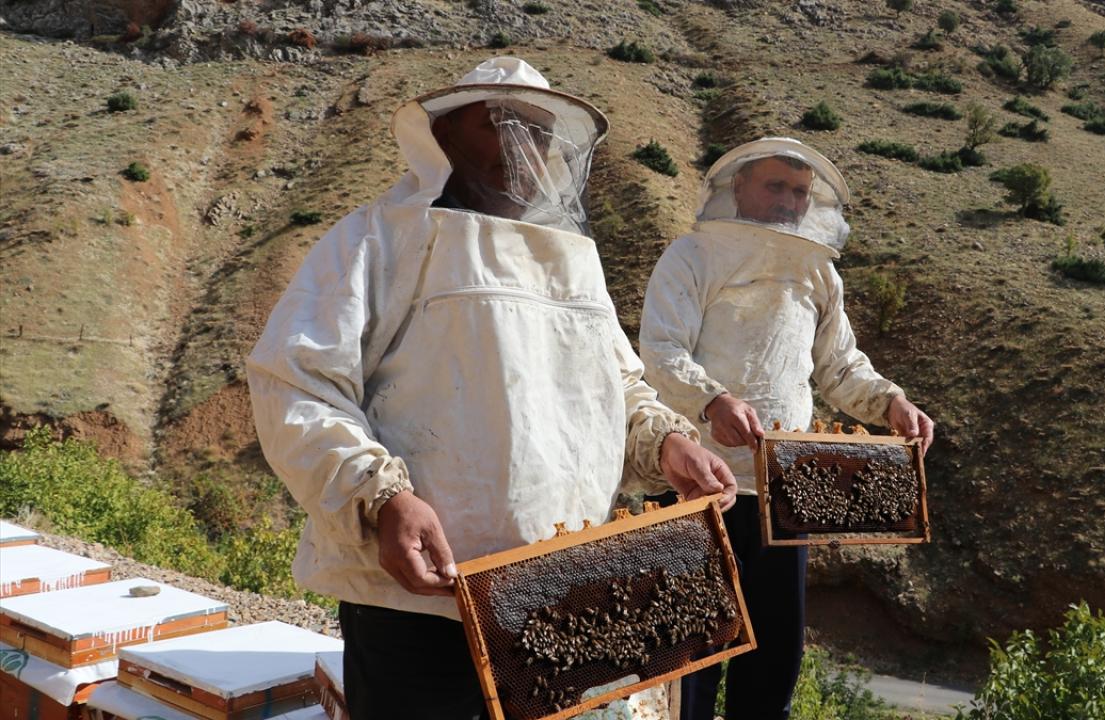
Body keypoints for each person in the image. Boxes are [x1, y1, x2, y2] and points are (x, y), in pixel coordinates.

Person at [246, 57, 737, 720]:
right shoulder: (377, 239)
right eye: (500, 125)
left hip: (559, 597)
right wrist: (380, 498)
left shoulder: (570, 263)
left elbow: (616, 388)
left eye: (538, 133)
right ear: (444, 135)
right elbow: (296, 385)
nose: (521, 148)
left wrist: (666, 443)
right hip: (419, 601)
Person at [637, 137, 934, 720]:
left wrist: (891, 402)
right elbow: (661, 351)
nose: (788, 201)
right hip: (697, 486)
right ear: (739, 187)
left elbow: (839, 365)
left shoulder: (817, 271)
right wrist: (712, 401)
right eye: (775, 185)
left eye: (799, 192)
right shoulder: (692, 255)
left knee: (774, 661)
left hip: (785, 497)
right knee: (690, 657)